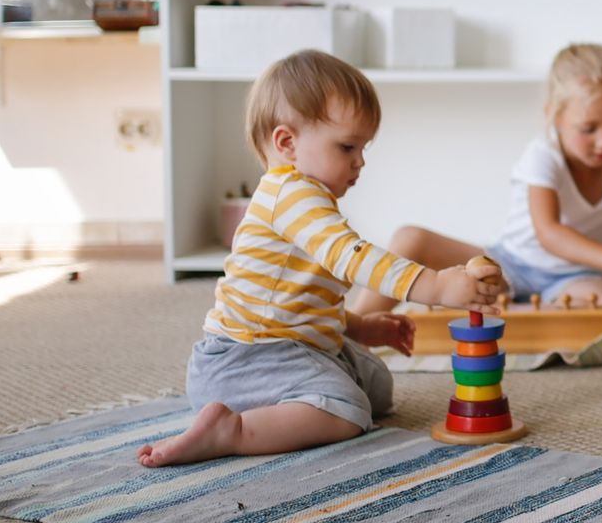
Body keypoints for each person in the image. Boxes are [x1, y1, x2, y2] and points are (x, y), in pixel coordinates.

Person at [139, 49, 507, 467]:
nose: (360, 161)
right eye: (348, 146)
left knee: (377, 385)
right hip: (245, 361)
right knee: (350, 410)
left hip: (290, 344)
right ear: (287, 143)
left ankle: (293, 402)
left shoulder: (306, 200)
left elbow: (297, 301)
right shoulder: (291, 195)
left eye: (364, 147)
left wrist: (363, 327)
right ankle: (232, 431)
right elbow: (356, 259)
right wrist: (437, 287)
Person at [349, 42, 602, 315]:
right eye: (588, 128)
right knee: (409, 238)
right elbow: (549, 233)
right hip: (508, 265)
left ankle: (533, 316)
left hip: (574, 278)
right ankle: (357, 325)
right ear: (555, 118)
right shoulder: (542, 155)